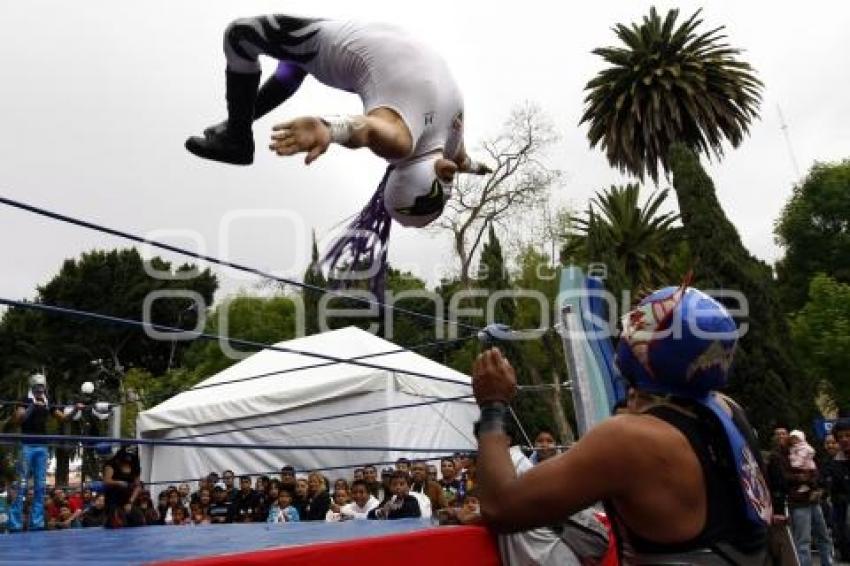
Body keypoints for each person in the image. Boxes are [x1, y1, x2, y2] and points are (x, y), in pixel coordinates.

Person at [185, 14, 491, 290]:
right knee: (293, 65)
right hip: (360, 47)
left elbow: (368, 129)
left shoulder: (421, 142)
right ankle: (237, 124)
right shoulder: (453, 151)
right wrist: (480, 168)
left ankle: (237, 139)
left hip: (346, 46)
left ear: (443, 171)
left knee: (240, 35)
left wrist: (328, 129)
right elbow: (466, 162)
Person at [472, 285, 773, 564]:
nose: (626, 327)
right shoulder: (728, 409)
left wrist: (492, 405)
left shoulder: (630, 439)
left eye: (638, 323)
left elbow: (501, 507)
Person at [8, 374, 80, 532]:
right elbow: (17, 420)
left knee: (40, 487)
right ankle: (15, 524)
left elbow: (63, 419)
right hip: (26, 446)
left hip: (41, 446)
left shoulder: (47, 400)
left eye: (42, 387)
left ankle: (37, 523)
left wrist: (75, 409)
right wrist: (32, 406)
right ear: (32, 387)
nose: (40, 390)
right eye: (37, 387)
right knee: (21, 485)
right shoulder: (24, 399)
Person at [102, 446, 144, 529]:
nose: (128, 459)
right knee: (118, 522)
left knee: (138, 519)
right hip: (113, 500)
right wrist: (118, 482)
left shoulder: (135, 466)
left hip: (127, 499)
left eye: (131, 456)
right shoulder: (111, 464)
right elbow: (106, 481)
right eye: (126, 457)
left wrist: (130, 502)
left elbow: (138, 486)